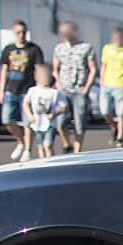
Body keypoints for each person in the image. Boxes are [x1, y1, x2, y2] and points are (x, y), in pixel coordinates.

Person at [0, 20, 44, 161]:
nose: (21, 35)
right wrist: (1, 90)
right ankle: (20, 141)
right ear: (14, 33)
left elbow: (38, 69)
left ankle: (28, 150)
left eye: (23, 32)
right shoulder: (8, 49)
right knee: (6, 120)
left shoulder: (34, 49)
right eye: (18, 32)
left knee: (27, 122)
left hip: (27, 90)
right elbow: (4, 70)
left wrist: (39, 89)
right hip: (11, 89)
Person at [52, 22, 97, 153]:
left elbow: (93, 69)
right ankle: (67, 144)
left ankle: (77, 150)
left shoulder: (86, 47)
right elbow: (55, 68)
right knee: (61, 121)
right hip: (64, 89)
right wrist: (58, 84)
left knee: (79, 122)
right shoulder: (59, 48)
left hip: (80, 89)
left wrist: (87, 87)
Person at [98, 26, 123, 146]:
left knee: (121, 113)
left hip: (120, 85)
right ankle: (113, 127)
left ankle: (119, 137)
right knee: (104, 111)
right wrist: (102, 80)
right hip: (107, 85)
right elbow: (104, 65)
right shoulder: (107, 49)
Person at [21, 63, 63, 160]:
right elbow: (25, 103)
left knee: (47, 145)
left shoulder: (54, 92)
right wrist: (30, 116)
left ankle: (51, 161)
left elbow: (64, 107)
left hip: (50, 124)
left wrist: (54, 114)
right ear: (36, 77)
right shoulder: (33, 91)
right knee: (40, 146)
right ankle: (43, 163)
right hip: (37, 124)